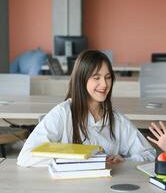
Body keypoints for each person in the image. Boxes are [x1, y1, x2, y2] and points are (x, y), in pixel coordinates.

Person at [17, 50, 156, 167]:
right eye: (96, 78)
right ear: (81, 80)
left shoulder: (116, 120)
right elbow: (25, 156)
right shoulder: (63, 113)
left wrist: (125, 161)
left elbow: (148, 153)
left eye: (108, 78)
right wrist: (82, 159)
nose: (104, 84)